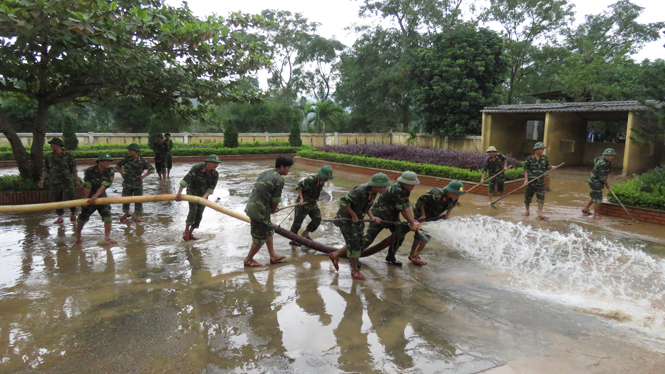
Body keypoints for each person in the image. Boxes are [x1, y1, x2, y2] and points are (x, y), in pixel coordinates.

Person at [328, 173, 392, 280]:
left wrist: (373, 217)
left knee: (361, 242)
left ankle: (335, 255)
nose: (385, 189)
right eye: (384, 187)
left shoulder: (374, 192)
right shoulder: (360, 191)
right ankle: (355, 271)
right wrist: (353, 215)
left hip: (358, 220)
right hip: (346, 220)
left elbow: (366, 206)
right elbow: (342, 202)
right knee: (354, 245)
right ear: (376, 185)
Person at [363, 171, 423, 267]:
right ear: (404, 182)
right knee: (368, 240)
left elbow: (406, 207)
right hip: (379, 217)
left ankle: (390, 257)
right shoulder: (397, 190)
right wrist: (411, 223)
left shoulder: (406, 190)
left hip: (392, 217)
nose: (413, 187)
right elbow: (403, 209)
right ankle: (353, 256)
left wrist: (412, 220)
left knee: (399, 236)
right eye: (412, 185)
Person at [243, 156, 294, 267]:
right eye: (288, 168)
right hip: (259, 211)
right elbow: (275, 199)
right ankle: (248, 260)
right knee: (259, 238)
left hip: (254, 206)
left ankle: (273, 256)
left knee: (269, 231)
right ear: (282, 167)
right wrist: (273, 208)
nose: (289, 170)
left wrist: (270, 208)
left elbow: (261, 191)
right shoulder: (279, 179)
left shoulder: (266, 173)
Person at [411, 181, 466, 265]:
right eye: (457, 194)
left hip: (434, 214)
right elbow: (420, 200)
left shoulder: (454, 197)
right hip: (421, 211)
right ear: (450, 191)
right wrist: (423, 215)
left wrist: (447, 216)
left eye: (460, 194)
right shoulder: (436, 194)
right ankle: (412, 255)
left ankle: (416, 255)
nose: (459, 196)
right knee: (420, 233)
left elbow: (451, 205)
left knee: (428, 234)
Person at [175, 154, 220, 240]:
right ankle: (186, 231)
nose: (216, 165)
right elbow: (186, 180)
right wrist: (179, 194)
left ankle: (191, 233)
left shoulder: (215, 174)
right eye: (214, 163)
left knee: (199, 213)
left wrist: (203, 198)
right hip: (192, 192)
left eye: (217, 163)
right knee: (193, 210)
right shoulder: (197, 168)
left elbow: (211, 188)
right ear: (208, 162)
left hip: (203, 195)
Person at [75, 153, 116, 245]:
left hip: (101, 197)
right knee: (82, 218)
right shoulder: (90, 171)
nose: (108, 163)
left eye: (109, 161)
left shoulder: (110, 172)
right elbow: (87, 185)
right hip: (90, 198)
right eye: (106, 161)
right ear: (99, 161)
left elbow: (104, 186)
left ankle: (107, 237)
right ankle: (78, 236)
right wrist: (86, 199)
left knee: (108, 217)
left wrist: (95, 197)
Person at [288, 166, 334, 246]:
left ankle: (305, 234)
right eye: (326, 177)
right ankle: (293, 239)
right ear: (321, 175)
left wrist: (317, 197)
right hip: (303, 203)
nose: (327, 179)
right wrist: (301, 199)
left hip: (312, 203)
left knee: (317, 218)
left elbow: (317, 190)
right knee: (298, 222)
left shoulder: (321, 181)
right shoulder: (310, 180)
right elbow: (298, 187)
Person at [38, 137, 80, 224]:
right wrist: (42, 180)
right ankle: (60, 217)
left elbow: (73, 168)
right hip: (54, 181)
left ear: (58, 145)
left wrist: (77, 179)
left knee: (71, 198)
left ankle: (73, 213)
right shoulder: (49, 156)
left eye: (52, 144)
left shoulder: (68, 156)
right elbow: (45, 168)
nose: (51, 146)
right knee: (57, 199)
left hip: (67, 181)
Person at [116, 143, 155, 223]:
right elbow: (117, 166)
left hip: (137, 184)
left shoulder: (143, 161)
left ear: (136, 151)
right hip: (127, 183)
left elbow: (151, 170)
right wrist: (122, 174)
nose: (129, 152)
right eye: (129, 150)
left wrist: (143, 176)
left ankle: (136, 216)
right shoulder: (126, 159)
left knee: (138, 200)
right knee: (125, 199)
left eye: (131, 150)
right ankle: (127, 213)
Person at [523, 142, 558, 220]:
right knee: (527, 197)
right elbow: (526, 170)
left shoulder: (544, 158)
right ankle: (527, 211)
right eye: (540, 149)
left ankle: (539, 213)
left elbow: (548, 166)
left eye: (543, 149)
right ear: (536, 150)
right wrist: (526, 180)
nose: (542, 150)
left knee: (541, 197)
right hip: (531, 181)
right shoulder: (529, 158)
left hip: (540, 181)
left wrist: (552, 167)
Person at [582, 148, 616, 219]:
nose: (609, 157)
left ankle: (586, 208)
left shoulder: (602, 159)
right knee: (598, 198)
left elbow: (595, 159)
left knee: (594, 196)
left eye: (611, 155)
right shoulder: (603, 164)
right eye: (607, 155)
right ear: (604, 155)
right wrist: (607, 184)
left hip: (593, 180)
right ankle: (596, 214)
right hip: (596, 182)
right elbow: (602, 177)